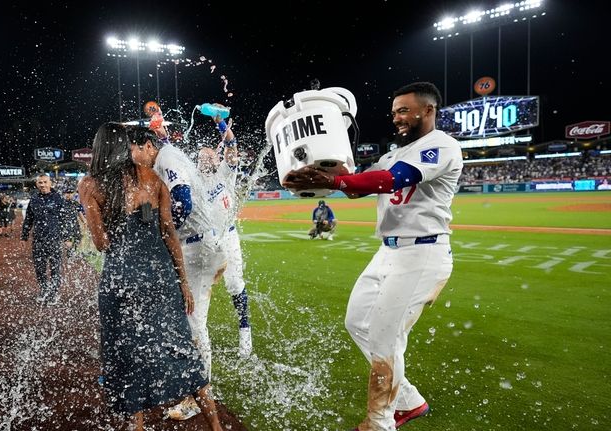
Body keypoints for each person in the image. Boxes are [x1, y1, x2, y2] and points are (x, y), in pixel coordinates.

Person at [283, 82, 463, 431]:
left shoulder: (442, 145)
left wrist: (336, 183)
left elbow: (394, 181)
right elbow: (360, 183)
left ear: (428, 111)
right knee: (357, 322)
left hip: (422, 252)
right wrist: (317, 177)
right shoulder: (393, 153)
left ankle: (379, 422)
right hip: (388, 252)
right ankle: (409, 400)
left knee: (384, 338)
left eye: (404, 110)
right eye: (394, 111)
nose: (397, 117)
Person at [77, 122, 223, 431]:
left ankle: (139, 426)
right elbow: (170, 233)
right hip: (160, 278)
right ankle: (215, 425)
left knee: (128, 357)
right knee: (181, 348)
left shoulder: (90, 185)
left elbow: (102, 243)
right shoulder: (153, 178)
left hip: (121, 281)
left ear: (100, 148)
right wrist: (183, 282)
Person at [197, 117, 253, 358]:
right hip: (205, 242)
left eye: (209, 155)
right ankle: (198, 334)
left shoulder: (225, 173)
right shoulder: (194, 182)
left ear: (217, 158)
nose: (205, 158)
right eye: (200, 156)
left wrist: (221, 124)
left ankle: (245, 334)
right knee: (200, 289)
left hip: (228, 236)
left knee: (233, 284)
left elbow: (232, 145)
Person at [20, 174, 76, 305]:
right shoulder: (34, 200)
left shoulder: (58, 198)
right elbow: (28, 219)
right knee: (39, 268)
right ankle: (44, 290)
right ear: (36, 185)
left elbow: (64, 220)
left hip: (54, 240)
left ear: (50, 183)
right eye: (40, 183)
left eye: (45, 182)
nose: (43, 185)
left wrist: (66, 237)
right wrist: (24, 236)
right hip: (38, 240)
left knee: (55, 268)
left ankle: (54, 293)